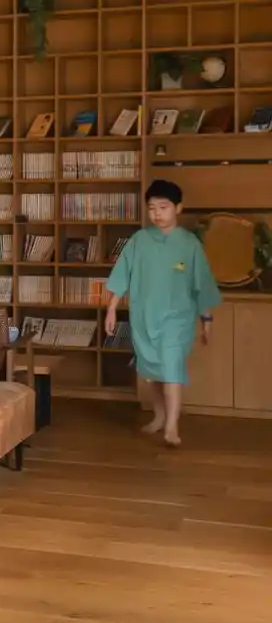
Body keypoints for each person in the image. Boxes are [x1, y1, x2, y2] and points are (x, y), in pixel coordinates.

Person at [104, 180, 221, 447]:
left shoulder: (190, 244)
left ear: (178, 208)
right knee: (152, 372)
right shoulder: (139, 240)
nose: (157, 213)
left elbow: (201, 283)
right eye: (152, 208)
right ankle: (160, 415)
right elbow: (122, 274)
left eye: (163, 207)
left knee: (171, 368)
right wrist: (111, 309)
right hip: (144, 317)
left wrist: (206, 318)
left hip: (177, 320)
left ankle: (171, 427)